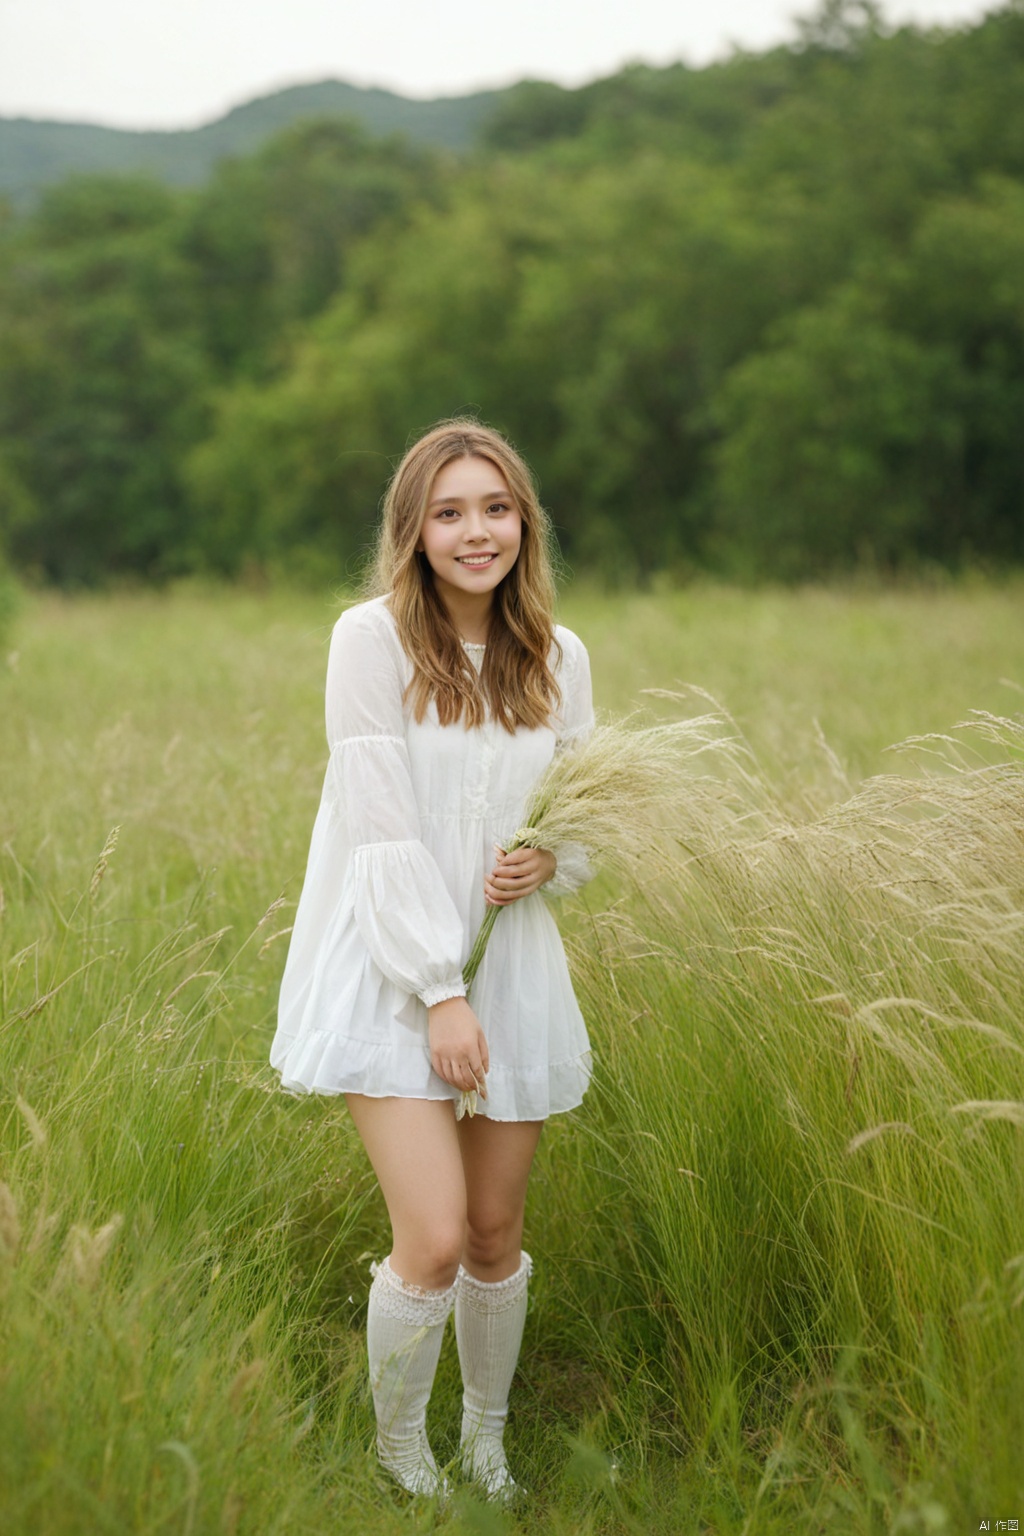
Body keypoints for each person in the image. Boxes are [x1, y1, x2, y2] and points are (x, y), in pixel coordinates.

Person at [269, 418, 594, 1502]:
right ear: (412, 529)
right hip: (397, 973)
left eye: (494, 509)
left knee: (498, 1232)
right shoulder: (370, 640)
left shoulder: (557, 654)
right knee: (438, 1236)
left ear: (523, 523)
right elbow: (380, 829)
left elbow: (587, 821)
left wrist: (552, 856)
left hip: (514, 968)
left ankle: (488, 1439)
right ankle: (402, 1456)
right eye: (449, 512)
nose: (475, 532)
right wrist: (440, 993)